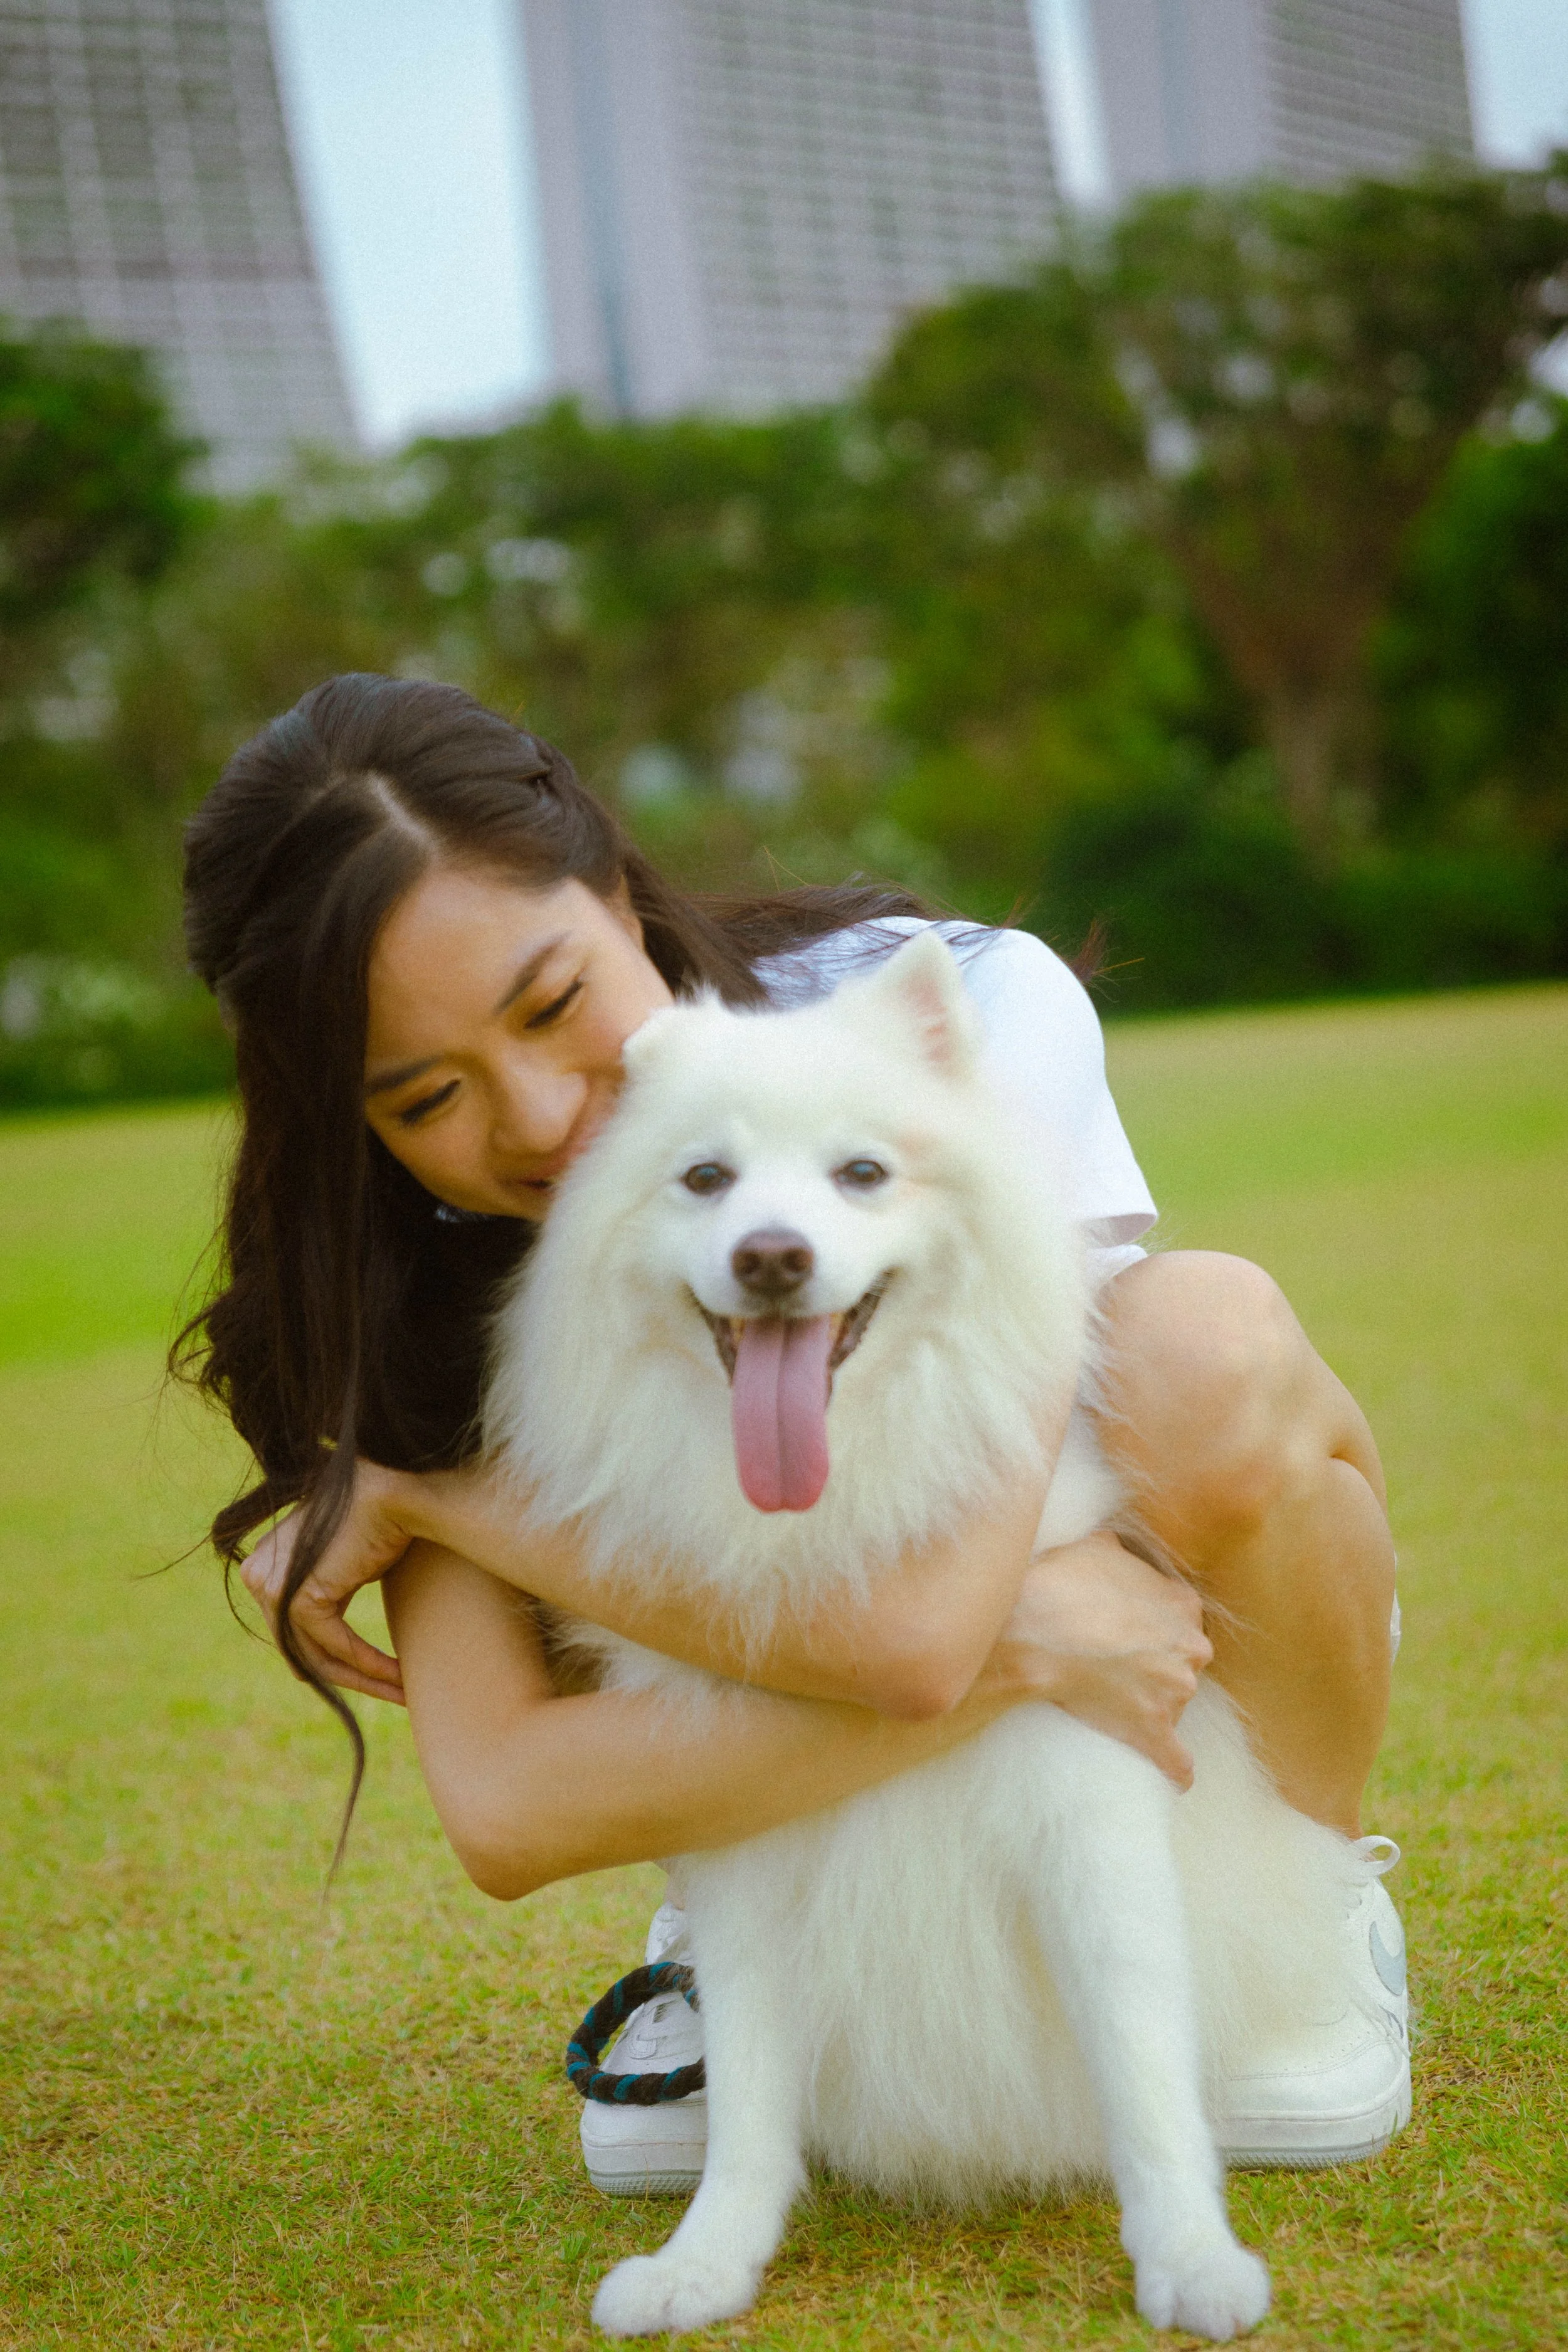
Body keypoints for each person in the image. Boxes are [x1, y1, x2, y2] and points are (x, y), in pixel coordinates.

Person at [178, 672, 1408, 2198]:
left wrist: (439, 1504)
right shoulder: (392, 1276)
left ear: (618, 891)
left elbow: (909, 1638)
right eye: (429, 1095)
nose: (541, 1117)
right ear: (351, 1120)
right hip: (898, 1717)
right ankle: (749, 1931)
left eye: (553, 1003)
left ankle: (1307, 1910)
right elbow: (505, 1807)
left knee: (1202, 1345)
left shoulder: (939, 1007)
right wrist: (1028, 1646)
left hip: (1073, 1592)